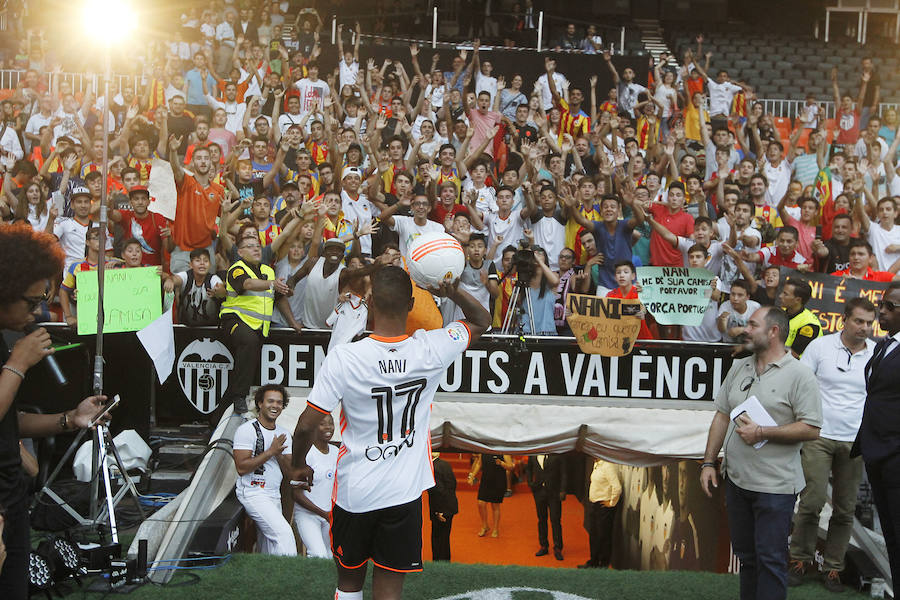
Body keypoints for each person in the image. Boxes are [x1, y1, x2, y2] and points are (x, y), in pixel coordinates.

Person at [290, 267, 490, 600]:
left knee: (349, 585)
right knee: (389, 590)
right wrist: (451, 292)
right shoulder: (433, 348)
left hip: (355, 492)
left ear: (368, 301)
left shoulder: (345, 357)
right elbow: (482, 320)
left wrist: (297, 465)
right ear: (412, 304)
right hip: (403, 494)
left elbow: (307, 425)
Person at [0, 224, 111, 599]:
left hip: (12, 494)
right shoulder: (15, 350)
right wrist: (18, 363)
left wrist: (69, 419)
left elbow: (9, 420)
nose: (36, 312)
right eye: (30, 302)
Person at [700, 306, 821, 600]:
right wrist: (707, 462)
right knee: (748, 558)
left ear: (774, 331)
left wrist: (763, 432)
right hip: (737, 483)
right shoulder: (740, 366)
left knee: (770, 561)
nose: (745, 330)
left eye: (753, 325)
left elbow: (811, 428)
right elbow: (721, 416)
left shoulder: (800, 375)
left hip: (775, 488)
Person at [788, 298, 875, 592]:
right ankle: (799, 560)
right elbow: (800, 383)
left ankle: (833, 569)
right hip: (818, 435)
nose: (864, 328)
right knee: (811, 502)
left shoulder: (877, 353)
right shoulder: (820, 347)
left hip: (855, 440)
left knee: (845, 509)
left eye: (868, 322)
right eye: (859, 321)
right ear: (844, 320)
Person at [217, 236, 300, 419]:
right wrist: (272, 284)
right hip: (235, 321)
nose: (256, 249)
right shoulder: (237, 269)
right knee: (249, 342)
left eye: (258, 246)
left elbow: (278, 299)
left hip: (258, 327)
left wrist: (293, 323)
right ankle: (239, 396)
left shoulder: (268, 271)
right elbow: (247, 284)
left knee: (246, 368)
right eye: (250, 246)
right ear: (240, 252)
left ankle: (218, 416)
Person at [853, 282, 900, 589]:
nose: (881, 311)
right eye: (882, 305)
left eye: (889, 307)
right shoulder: (885, 344)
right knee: (892, 536)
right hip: (877, 450)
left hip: (896, 452)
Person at [232, 384, 295, 556]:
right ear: (260, 403)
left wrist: (279, 455)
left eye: (279, 403)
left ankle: (271, 581)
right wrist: (270, 452)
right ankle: (290, 580)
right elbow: (241, 467)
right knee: (284, 535)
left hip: (274, 494)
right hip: (253, 492)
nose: (275, 406)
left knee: (269, 550)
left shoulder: (284, 434)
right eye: (271, 401)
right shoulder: (246, 430)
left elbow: (290, 473)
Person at [293, 413, 337, 558]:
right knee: (318, 555)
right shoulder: (306, 453)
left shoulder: (337, 452)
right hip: (308, 515)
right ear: (313, 428)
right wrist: (323, 513)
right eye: (322, 423)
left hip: (329, 515)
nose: (328, 427)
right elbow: (296, 494)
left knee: (332, 557)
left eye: (331, 423)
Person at [578, 458, 621, 569]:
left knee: (604, 537)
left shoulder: (608, 465)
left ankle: (603, 565)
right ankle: (593, 562)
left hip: (604, 508)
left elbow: (617, 487)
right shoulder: (597, 464)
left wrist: (611, 503)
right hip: (594, 505)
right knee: (594, 535)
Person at [525, 454, 567, 561]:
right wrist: (530, 483)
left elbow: (563, 473)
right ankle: (543, 546)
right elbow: (528, 469)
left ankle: (558, 548)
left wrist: (563, 490)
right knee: (541, 519)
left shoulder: (557, 455)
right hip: (539, 492)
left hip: (554, 492)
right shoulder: (533, 455)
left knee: (555, 520)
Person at [468, 453, 516, 538]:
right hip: (485, 481)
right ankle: (485, 526)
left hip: (498, 481)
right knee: (480, 503)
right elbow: (479, 463)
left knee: (495, 505)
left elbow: (511, 466)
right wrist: (472, 476)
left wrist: (501, 463)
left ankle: (495, 529)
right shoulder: (484, 451)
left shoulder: (503, 452)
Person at [778, 278, 822, 358]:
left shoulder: (810, 324)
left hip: (796, 365)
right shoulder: (779, 312)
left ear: (797, 300)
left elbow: (794, 354)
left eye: (785, 294)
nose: (780, 296)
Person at [427, 452, 458, 562]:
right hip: (450, 506)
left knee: (438, 538)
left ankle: (439, 562)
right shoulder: (445, 464)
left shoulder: (433, 467)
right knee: (444, 537)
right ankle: (445, 560)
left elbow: (438, 491)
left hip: (441, 509)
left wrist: (438, 511)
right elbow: (453, 484)